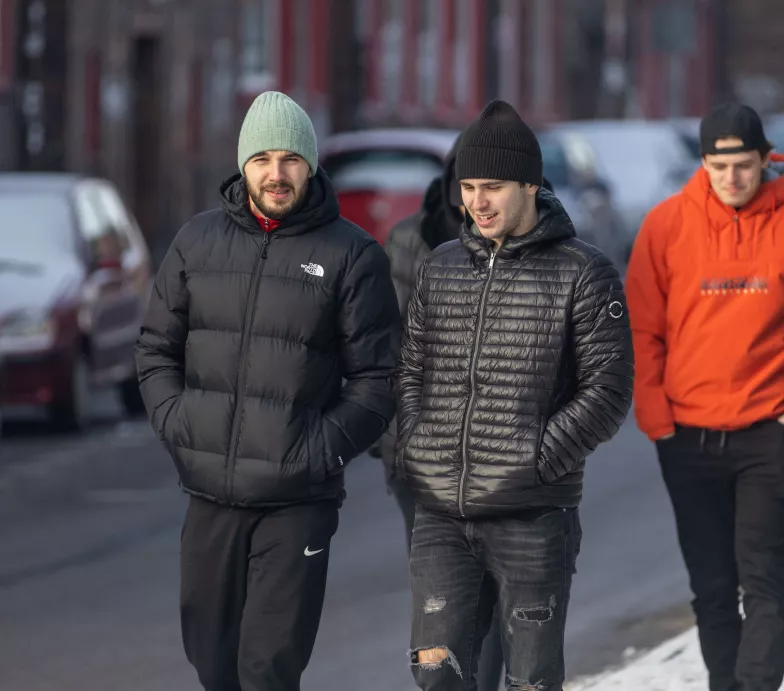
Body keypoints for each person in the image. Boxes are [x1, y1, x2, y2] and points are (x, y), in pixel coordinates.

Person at [135, 90, 400, 691]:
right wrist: (179, 422)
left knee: (267, 669)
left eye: (289, 159)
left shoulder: (353, 255)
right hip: (210, 495)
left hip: (296, 503)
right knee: (213, 664)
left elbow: (379, 378)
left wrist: (316, 450)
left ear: (310, 165)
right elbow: (155, 349)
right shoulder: (196, 243)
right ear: (243, 165)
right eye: (262, 159)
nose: (276, 173)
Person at [395, 99, 633, 691]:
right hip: (442, 516)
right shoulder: (441, 267)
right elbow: (411, 369)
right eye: (468, 187)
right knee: (436, 675)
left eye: (493, 187)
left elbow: (608, 391)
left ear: (529, 184)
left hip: (533, 518)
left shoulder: (584, 272)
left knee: (530, 681)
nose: (477, 202)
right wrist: (419, 445)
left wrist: (535, 461)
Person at [625, 102, 784, 691]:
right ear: (703, 164)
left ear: (767, 160)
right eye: (718, 168)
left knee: (763, 580)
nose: (732, 178)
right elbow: (643, 329)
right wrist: (657, 417)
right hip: (687, 437)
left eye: (744, 165)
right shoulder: (666, 224)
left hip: (772, 433)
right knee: (712, 588)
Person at [377, 133, 506, 691]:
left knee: (497, 590)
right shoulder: (412, 240)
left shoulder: (542, 244)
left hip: (506, 456)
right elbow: (387, 349)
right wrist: (397, 443)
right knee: (440, 593)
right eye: (467, 182)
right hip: (423, 458)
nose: (477, 197)